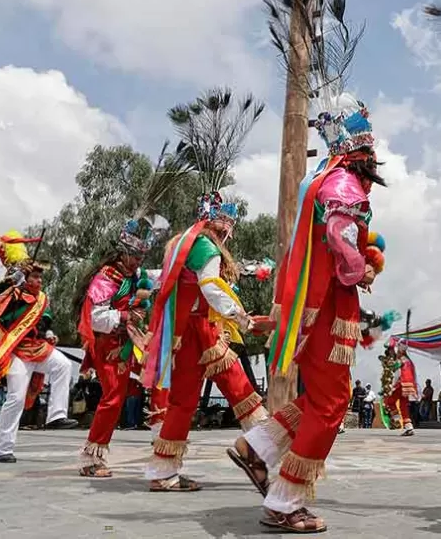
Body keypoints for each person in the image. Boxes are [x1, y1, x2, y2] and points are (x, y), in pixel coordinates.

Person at [231, 92, 386, 532]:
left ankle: (257, 446)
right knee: (333, 403)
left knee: (320, 397)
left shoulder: (325, 177)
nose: (375, 162)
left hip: (318, 307)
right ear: (361, 152)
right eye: (372, 152)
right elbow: (340, 235)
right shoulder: (344, 183)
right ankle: (284, 500)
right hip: (327, 309)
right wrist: (359, 272)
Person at [143, 192, 267, 492]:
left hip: (184, 335)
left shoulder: (184, 243)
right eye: (226, 227)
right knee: (241, 390)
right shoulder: (205, 245)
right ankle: (265, 451)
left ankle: (163, 472)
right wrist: (242, 319)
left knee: (182, 403)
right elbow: (210, 287)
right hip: (200, 332)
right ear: (220, 225)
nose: (228, 234)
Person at [0, 230, 77, 463]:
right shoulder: (12, 294)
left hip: (37, 348)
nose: (39, 281)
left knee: (64, 365)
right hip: (15, 351)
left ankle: (56, 415)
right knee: (15, 397)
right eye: (35, 277)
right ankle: (3, 449)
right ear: (25, 278)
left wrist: (48, 333)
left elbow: (44, 319)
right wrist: (15, 278)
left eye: (40, 278)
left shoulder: (42, 299)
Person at [74, 219, 154, 477]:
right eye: (135, 256)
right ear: (123, 253)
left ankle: (165, 443)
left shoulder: (136, 277)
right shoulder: (107, 277)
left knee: (158, 377)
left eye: (142, 256)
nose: (139, 261)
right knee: (113, 398)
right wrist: (124, 316)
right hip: (107, 344)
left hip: (127, 341)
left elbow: (162, 276)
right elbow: (95, 317)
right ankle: (90, 457)